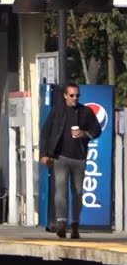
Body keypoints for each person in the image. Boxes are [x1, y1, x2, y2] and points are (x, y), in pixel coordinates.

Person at [39, 83, 102, 239]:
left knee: (78, 192)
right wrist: (44, 153)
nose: (75, 98)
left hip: (79, 158)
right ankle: (61, 223)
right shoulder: (58, 111)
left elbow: (97, 130)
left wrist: (84, 133)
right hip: (60, 156)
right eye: (72, 95)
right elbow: (46, 132)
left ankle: (75, 224)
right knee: (61, 191)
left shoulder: (85, 111)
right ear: (65, 96)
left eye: (77, 95)